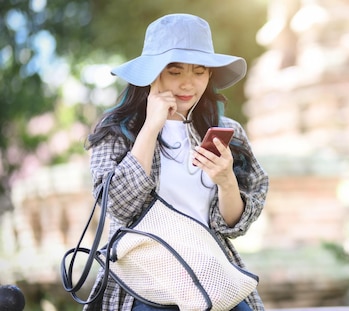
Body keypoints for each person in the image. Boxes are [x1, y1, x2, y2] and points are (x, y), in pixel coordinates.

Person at [83, 13, 269, 311]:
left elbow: (234, 226)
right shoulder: (117, 130)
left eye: (199, 71)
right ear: (153, 73)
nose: (188, 83)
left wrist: (226, 182)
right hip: (140, 280)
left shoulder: (226, 133)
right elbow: (119, 206)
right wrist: (150, 127)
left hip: (209, 276)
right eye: (175, 71)